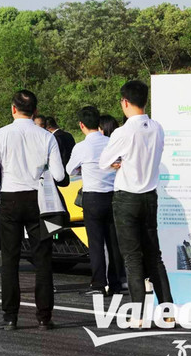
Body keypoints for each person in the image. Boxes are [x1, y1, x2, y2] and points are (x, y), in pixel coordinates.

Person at [0, 90, 64, 331]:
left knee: (10, 259)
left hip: (10, 198)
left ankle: (10, 316)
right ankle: (44, 316)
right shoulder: (47, 137)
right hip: (38, 200)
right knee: (43, 259)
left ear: (12, 109)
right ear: (36, 111)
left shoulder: (1, 134)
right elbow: (60, 175)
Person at [99, 80, 174, 326]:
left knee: (132, 258)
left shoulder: (123, 132)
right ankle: (168, 312)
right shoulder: (157, 128)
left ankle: (138, 315)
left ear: (125, 102)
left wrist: (118, 162)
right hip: (150, 196)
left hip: (127, 197)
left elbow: (104, 162)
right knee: (155, 256)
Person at [65, 106, 124, 296]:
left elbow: (69, 171)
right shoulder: (111, 142)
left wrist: (83, 169)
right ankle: (116, 283)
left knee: (96, 242)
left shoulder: (82, 147)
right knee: (114, 241)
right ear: (99, 122)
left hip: (93, 198)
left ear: (81, 125)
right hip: (113, 196)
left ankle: (99, 284)